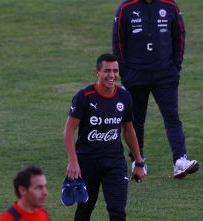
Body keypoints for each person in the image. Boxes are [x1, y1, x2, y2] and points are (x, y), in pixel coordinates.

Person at [112, 0, 199, 178]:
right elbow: (118, 40)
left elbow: (180, 35)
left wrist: (176, 67)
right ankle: (138, 161)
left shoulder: (170, 6)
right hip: (135, 76)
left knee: (172, 117)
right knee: (135, 121)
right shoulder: (126, 8)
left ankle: (180, 161)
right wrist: (124, 71)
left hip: (165, 75)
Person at [63, 54, 146, 221]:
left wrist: (138, 162)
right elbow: (69, 130)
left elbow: (129, 130)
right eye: (107, 70)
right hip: (87, 161)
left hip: (115, 162)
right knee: (84, 211)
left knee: (118, 212)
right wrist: (73, 162)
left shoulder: (124, 97)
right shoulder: (84, 96)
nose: (112, 75)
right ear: (97, 72)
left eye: (115, 71)